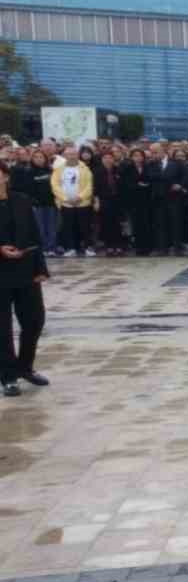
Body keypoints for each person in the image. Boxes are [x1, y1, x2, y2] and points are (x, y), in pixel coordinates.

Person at [0, 162, 48, 398]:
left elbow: (35, 235)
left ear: (6, 176)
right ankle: (8, 377)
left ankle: (24, 366)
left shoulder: (22, 200)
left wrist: (41, 268)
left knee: (34, 319)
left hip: (25, 268)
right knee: (2, 329)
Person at [52, 144, 95, 257]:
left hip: (82, 203)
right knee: (68, 227)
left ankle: (88, 247)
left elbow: (89, 185)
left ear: (77, 155)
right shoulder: (58, 170)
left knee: (85, 226)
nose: (72, 156)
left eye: (74, 154)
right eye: (69, 154)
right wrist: (65, 199)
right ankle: (70, 248)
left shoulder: (85, 168)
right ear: (65, 155)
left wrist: (80, 197)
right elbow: (55, 185)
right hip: (66, 204)